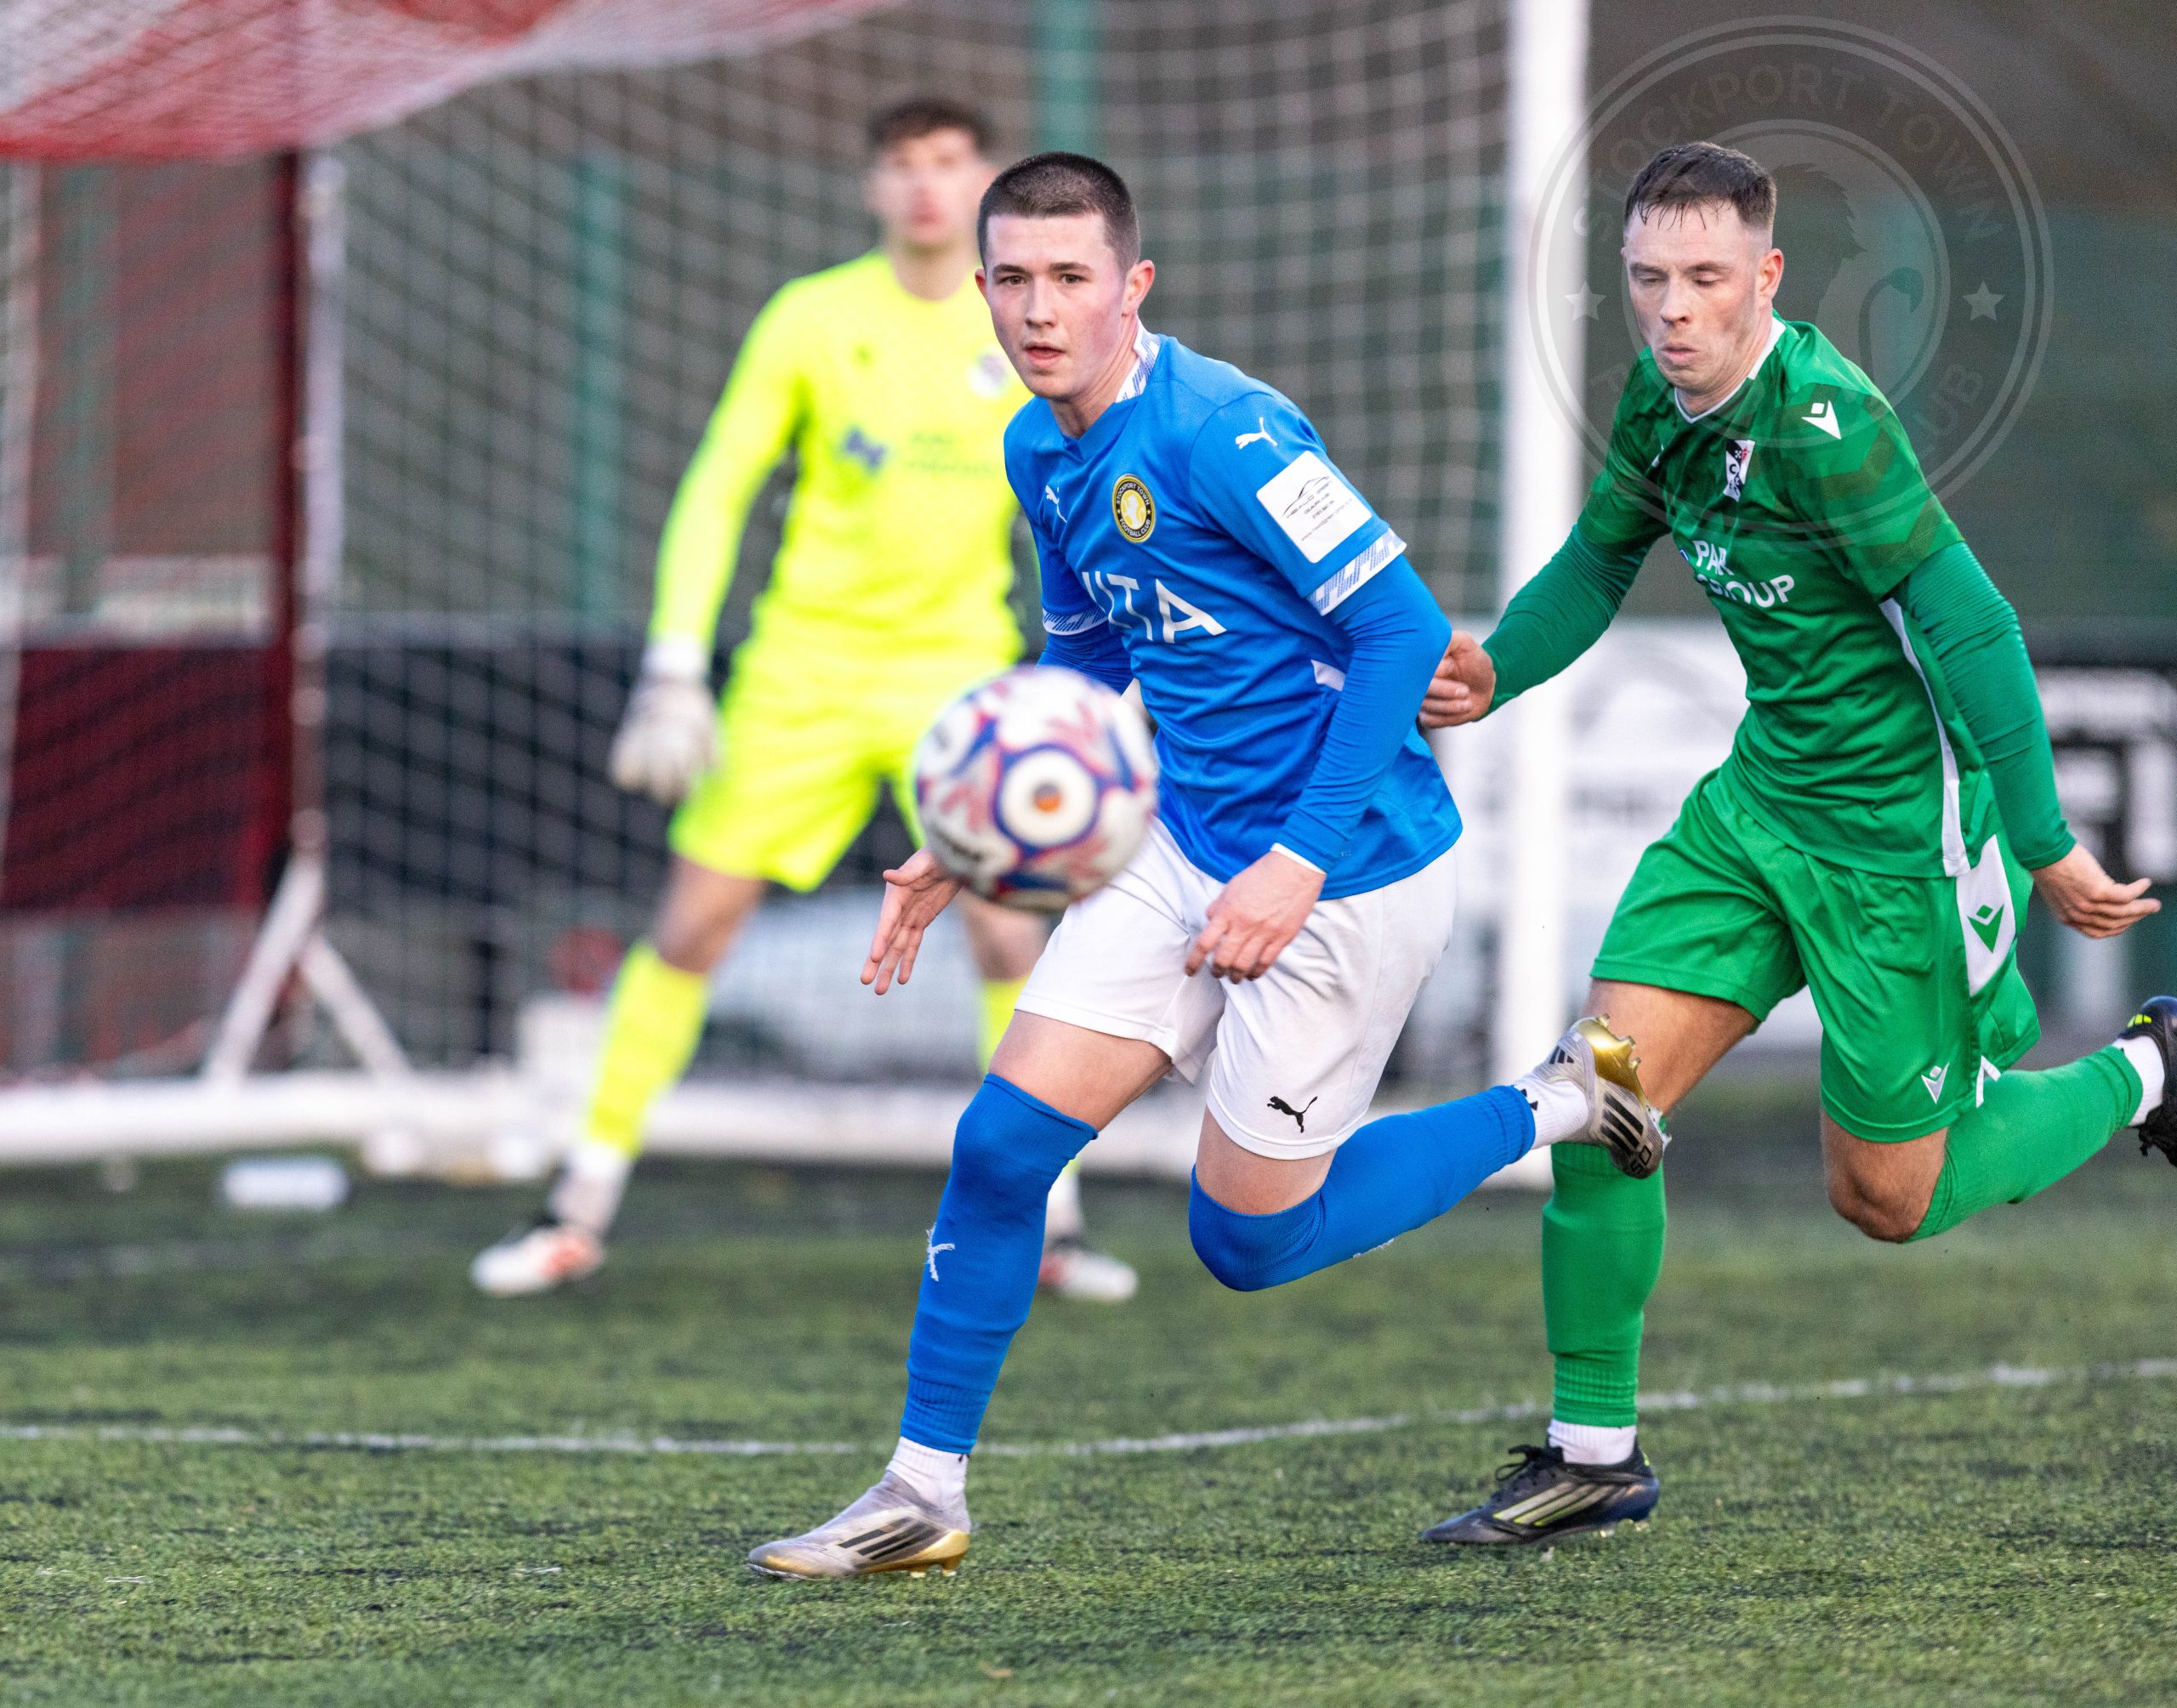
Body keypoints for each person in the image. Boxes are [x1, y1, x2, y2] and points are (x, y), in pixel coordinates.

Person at [743, 151, 1668, 1581]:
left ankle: (1561, 1098)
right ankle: (921, 1493)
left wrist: (1297, 862)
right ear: (980, 288)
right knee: (1000, 1147)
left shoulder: (1225, 429)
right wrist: (974, 828)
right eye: (1013, 279)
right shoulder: (1037, 445)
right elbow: (1089, 652)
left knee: (1248, 1244)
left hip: (1349, 870)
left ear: (1133, 287)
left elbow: (1404, 632)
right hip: (1178, 843)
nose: (1039, 310)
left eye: (1070, 279)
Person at [1419, 141, 2174, 1548]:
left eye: (1707, 278)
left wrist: (2043, 840)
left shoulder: (1832, 427)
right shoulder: (1659, 399)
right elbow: (1599, 559)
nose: (1674, 309)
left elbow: (1975, 626)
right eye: (1648, 278)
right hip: (1760, 807)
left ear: (1767, 276)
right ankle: (1595, 1455)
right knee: (1601, 1086)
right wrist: (1497, 668)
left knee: (1887, 1196)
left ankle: (2151, 1068)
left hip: (1898, 843)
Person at [470, 99, 1136, 1304]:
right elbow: (719, 483)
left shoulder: (1030, 328)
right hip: (802, 672)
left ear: (985, 183)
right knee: (691, 926)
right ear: (872, 187)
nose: (925, 187)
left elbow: (1100, 494)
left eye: (948, 164)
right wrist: (676, 664)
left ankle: (1052, 1223)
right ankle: (577, 1205)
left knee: (1008, 933)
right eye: (902, 166)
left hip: (961, 676)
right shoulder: (811, 318)